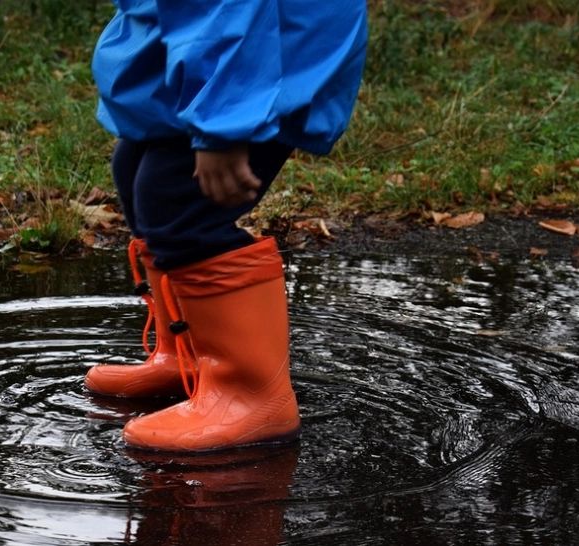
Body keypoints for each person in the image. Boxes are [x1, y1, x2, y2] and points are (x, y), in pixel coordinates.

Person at [85, 1, 368, 452]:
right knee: (134, 166)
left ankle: (251, 397)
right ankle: (188, 357)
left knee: (178, 203)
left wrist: (224, 126)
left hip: (263, 60)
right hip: (215, 54)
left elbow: (230, 11)